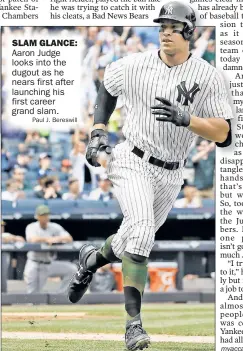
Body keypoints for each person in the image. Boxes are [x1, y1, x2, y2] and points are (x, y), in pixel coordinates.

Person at [68, 3, 233, 350]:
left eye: (174, 27)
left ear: (189, 32)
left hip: (171, 174)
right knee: (142, 230)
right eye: (162, 27)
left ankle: (91, 259)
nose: (166, 32)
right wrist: (98, 129)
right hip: (132, 158)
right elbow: (107, 86)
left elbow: (224, 134)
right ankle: (133, 325)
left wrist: (189, 120)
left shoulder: (209, 76)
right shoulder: (136, 64)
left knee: (131, 240)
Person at [24, 205, 76, 294]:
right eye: (42, 215)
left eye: (47, 215)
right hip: (34, 264)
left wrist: (56, 239)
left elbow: (69, 238)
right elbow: (32, 239)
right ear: (37, 216)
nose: (45, 217)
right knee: (33, 294)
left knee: (72, 269)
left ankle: (59, 296)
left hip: (49, 264)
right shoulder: (32, 227)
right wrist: (47, 239)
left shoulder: (54, 226)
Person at [1, 220, 25, 293]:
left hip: (3, 260)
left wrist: (13, 238)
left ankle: (4, 297)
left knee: (3, 280)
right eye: (0, 226)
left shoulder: (6, 235)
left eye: (2, 226)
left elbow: (22, 240)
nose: (2, 228)